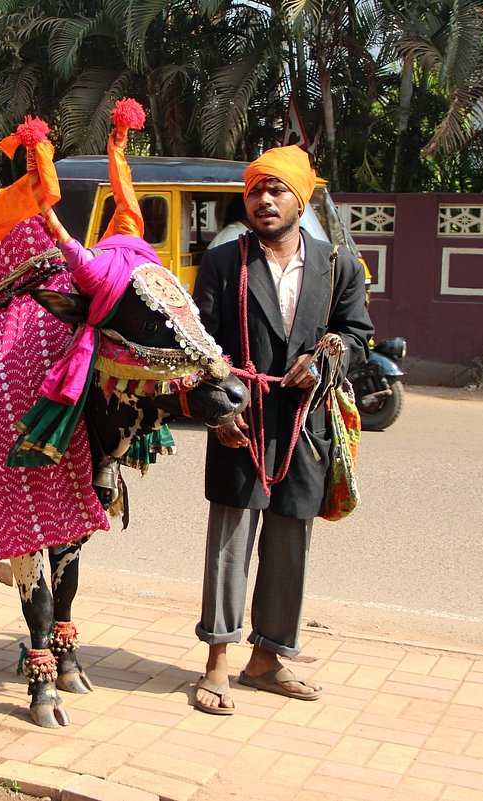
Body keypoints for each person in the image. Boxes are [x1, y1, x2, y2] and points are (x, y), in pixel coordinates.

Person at [190, 145, 373, 714]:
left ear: (302, 198)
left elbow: (356, 334)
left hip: (303, 422)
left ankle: (267, 659)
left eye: (276, 191)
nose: (264, 201)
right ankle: (217, 662)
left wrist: (327, 354)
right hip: (241, 418)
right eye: (255, 191)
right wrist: (218, 409)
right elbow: (197, 348)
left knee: (290, 541)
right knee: (229, 542)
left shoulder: (338, 263)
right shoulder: (224, 263)